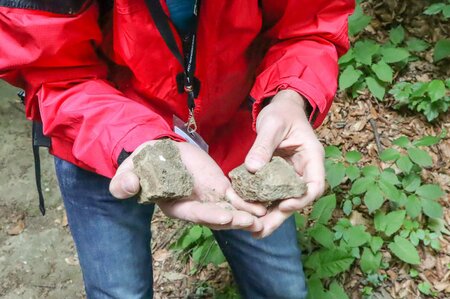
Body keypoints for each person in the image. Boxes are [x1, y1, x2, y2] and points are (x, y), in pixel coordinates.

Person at [0, 0, 354, 298]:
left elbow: (310, 22)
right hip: (97, 140)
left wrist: (291, 93)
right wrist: (139, 140)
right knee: (119, 291)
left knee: (283, 287)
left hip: (239, 131)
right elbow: (50, 70)